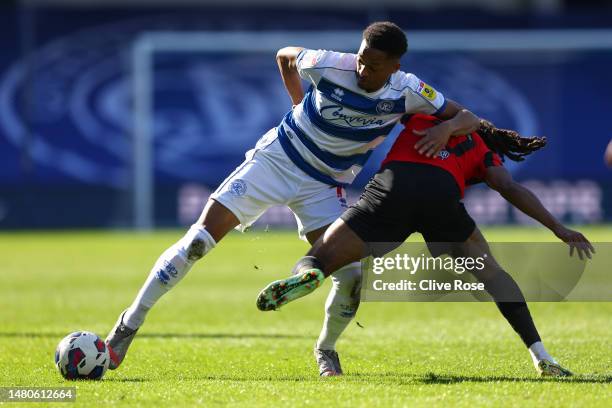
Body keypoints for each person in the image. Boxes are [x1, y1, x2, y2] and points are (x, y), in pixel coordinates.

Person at [105, 22, 484, 374]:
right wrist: (296, 102)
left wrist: (448, 128)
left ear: (395, 66)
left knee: (352, 275)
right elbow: (285, 56)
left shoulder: (410, 90)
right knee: (198, 242)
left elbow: (469, 117)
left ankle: (326, 349)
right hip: (277, 160)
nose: (363, 70)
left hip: (324, 183)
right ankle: (128, 325)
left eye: (374, 66)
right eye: (362, 59)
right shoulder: (331, 65)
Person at [256, 114, 594, 377]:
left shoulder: (421, 116)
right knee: (494, 276)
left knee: (320, 257)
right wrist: (558, 228)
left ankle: (309, 275)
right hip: (440, 197)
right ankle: (542, 356)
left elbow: (380, 110)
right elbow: (509, 189)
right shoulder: (482, 149)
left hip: (392, 188)